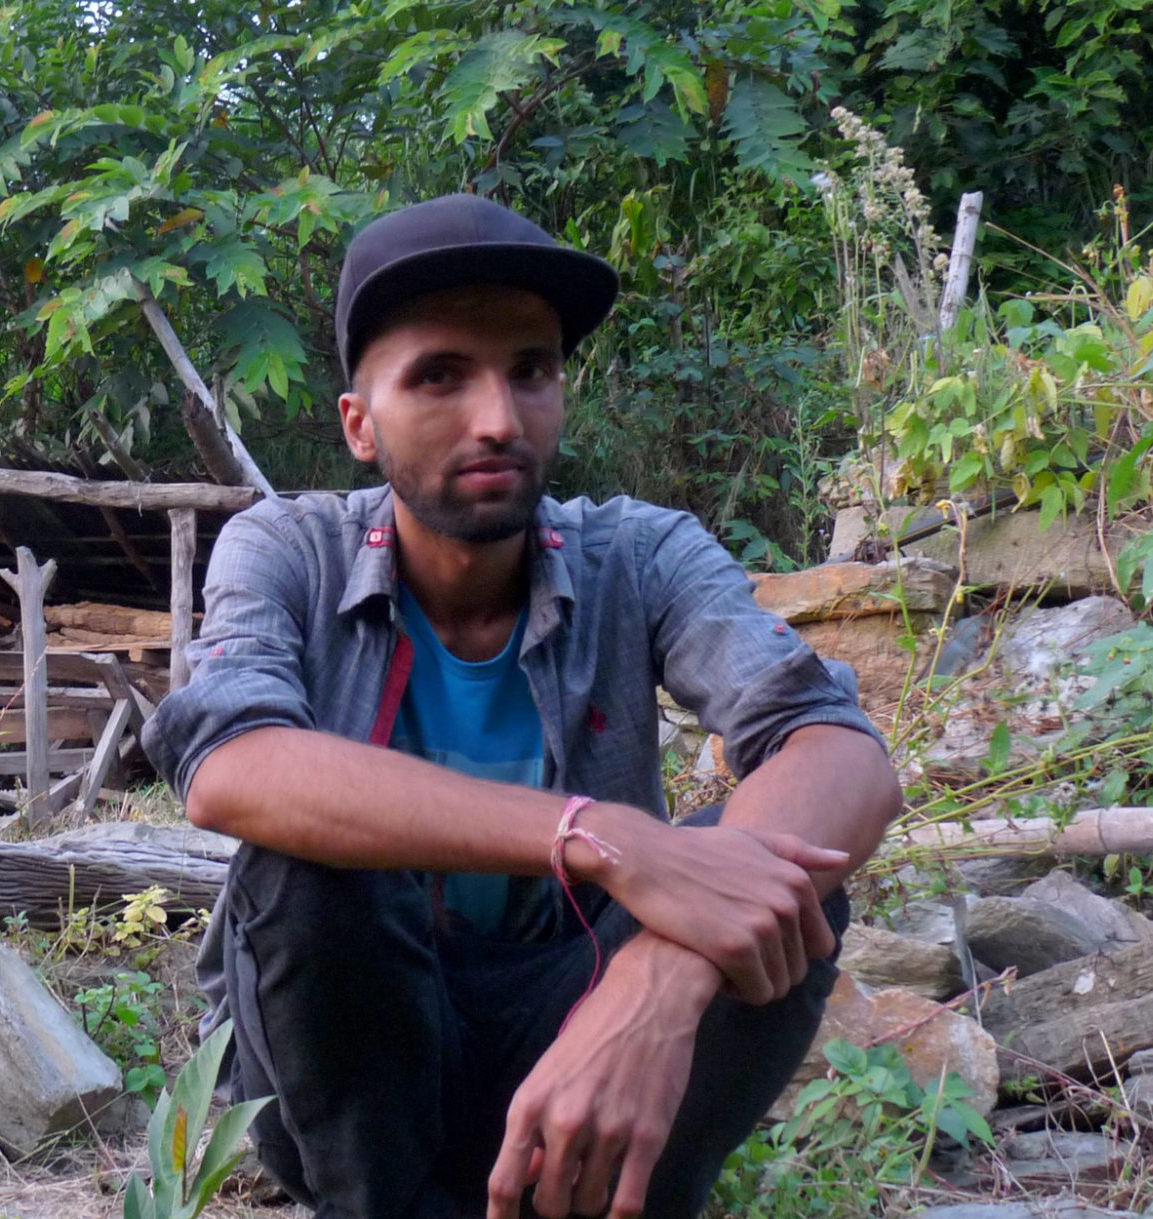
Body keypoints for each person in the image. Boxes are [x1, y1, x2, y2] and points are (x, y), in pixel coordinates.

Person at [139, 193, 902, 1219]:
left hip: (578, 1024)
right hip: (361, 1068)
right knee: (302, 861)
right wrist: (603, 837)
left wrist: (655, 980)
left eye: (529, 371)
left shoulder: (640, 552)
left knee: (782, 879)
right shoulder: (285, 548)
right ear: (359, 426)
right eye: (439, 376)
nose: (496, 417)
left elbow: (839, 750)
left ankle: (610, 1195)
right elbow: (234, 765)